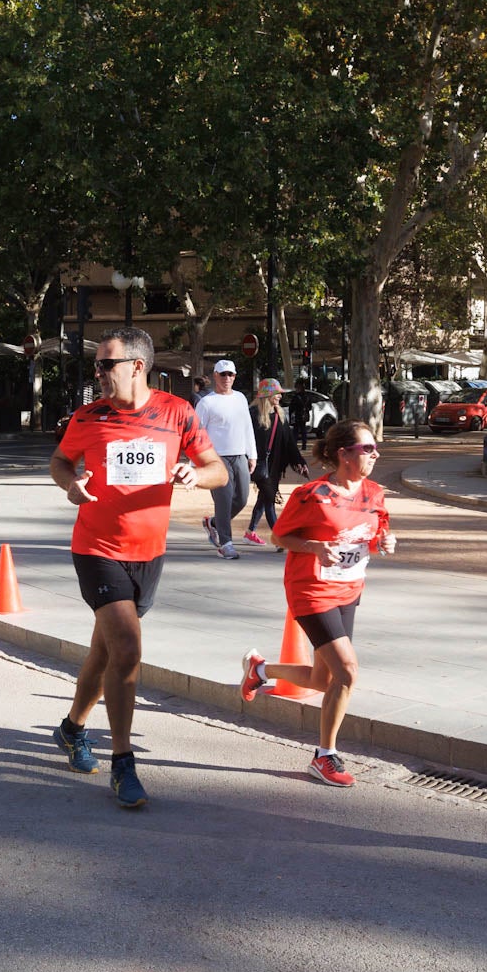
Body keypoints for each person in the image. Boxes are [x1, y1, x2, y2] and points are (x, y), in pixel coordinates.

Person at [49, 326, 227, 808]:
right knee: (127, 648)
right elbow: (60, 461)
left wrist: (195, 472)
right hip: (96, 547)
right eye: (97, 365)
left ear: (136, 366)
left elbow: (219, 469)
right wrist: (71, 484)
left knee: (105, 653)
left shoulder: (177, 412)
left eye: (106, 364)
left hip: (148, 553)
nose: (98, 373)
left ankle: (71, 729)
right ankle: (123, 762)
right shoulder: (88, 417)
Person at [239, 420, 396, 787]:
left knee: (323, 680)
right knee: (348, 672)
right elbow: (279, 534)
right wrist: (314, 547)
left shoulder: (374, 492)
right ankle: (325, 756)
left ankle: (260, 671)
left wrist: (384, 542)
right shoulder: (313, 494)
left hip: (349, 588)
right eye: (367, 449)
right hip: (310, 588)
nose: (375, 454)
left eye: (375, 448)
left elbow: (376, 530)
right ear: (343, 455)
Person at [195, 359, 256, 559]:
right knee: (223, 500)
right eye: (223, 374)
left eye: (230, 374)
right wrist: (197, 461)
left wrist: (252, 454)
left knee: (241, 498)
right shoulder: (206, 402)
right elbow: (196, 432)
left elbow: (247, 427)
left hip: (239, 455)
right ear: (215, 376)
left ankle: (213, 523)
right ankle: (226, 543)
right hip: (217, 459)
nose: (227, 378)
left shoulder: (240, 398)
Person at [245, 378, 308, 546]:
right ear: (267, 395)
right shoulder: (252, 414)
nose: (280, 396)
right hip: (257, 464)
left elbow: (289, 442)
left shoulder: (280, 414)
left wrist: (299, 461)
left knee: (264, 498)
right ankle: (280, 537)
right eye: (277, 393)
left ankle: (250, 531)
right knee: (269, 500)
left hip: (273, 465)